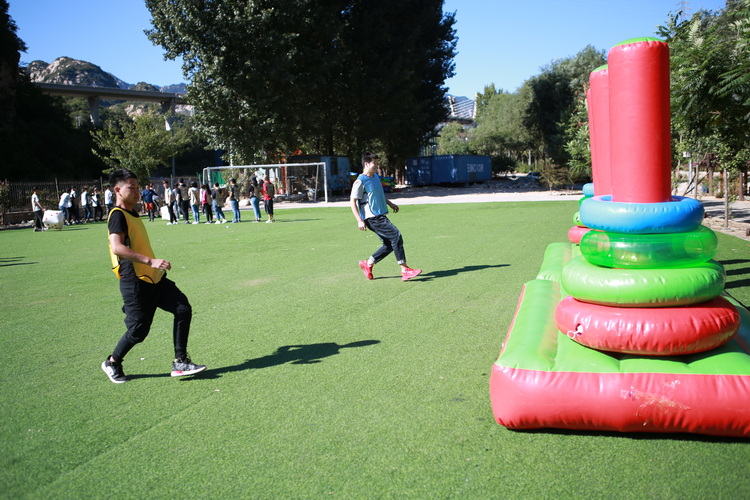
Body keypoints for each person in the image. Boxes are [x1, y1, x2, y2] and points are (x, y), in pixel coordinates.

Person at [101, 168, 206, 383]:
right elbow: (117, 247)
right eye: (132, 188)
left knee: (182, 309)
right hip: (135, 280)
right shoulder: (117, 215)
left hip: (154, 278)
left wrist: (153, 266)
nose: (137, 192)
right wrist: (151, 261)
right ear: (117, 190)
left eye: (138, 187)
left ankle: (181, 361)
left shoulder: (133, 213)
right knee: (139, 330)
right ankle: (112, 361)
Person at [350, 152, 422, 281]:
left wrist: (390, 203)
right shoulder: (360, 181)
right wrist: (359, 220)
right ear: (366, 164)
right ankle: (404, 269)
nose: (377, 166)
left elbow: (379, 194)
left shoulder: (376, 177)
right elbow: (352, 201)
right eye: (375, 164)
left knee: (389, 243)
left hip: (379, 215)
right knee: (396, 235)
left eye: (378, 163)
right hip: (372, 217)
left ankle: (368, 264)